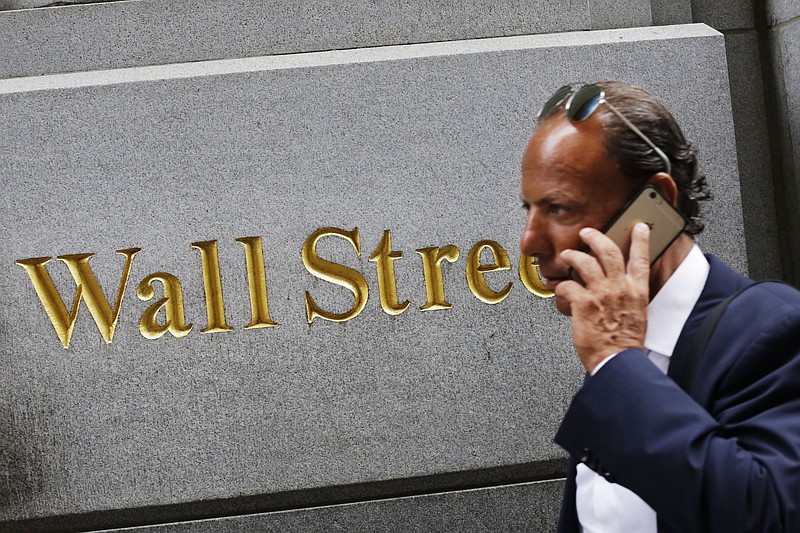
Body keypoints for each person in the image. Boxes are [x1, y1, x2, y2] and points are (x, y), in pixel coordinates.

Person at [519, 81, 800, 532]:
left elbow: (766, 516)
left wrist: (616, 362)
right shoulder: (621, 348)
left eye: (559, 208)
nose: (529, 242)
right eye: (529, 208)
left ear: (654, 205)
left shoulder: (775, 329)